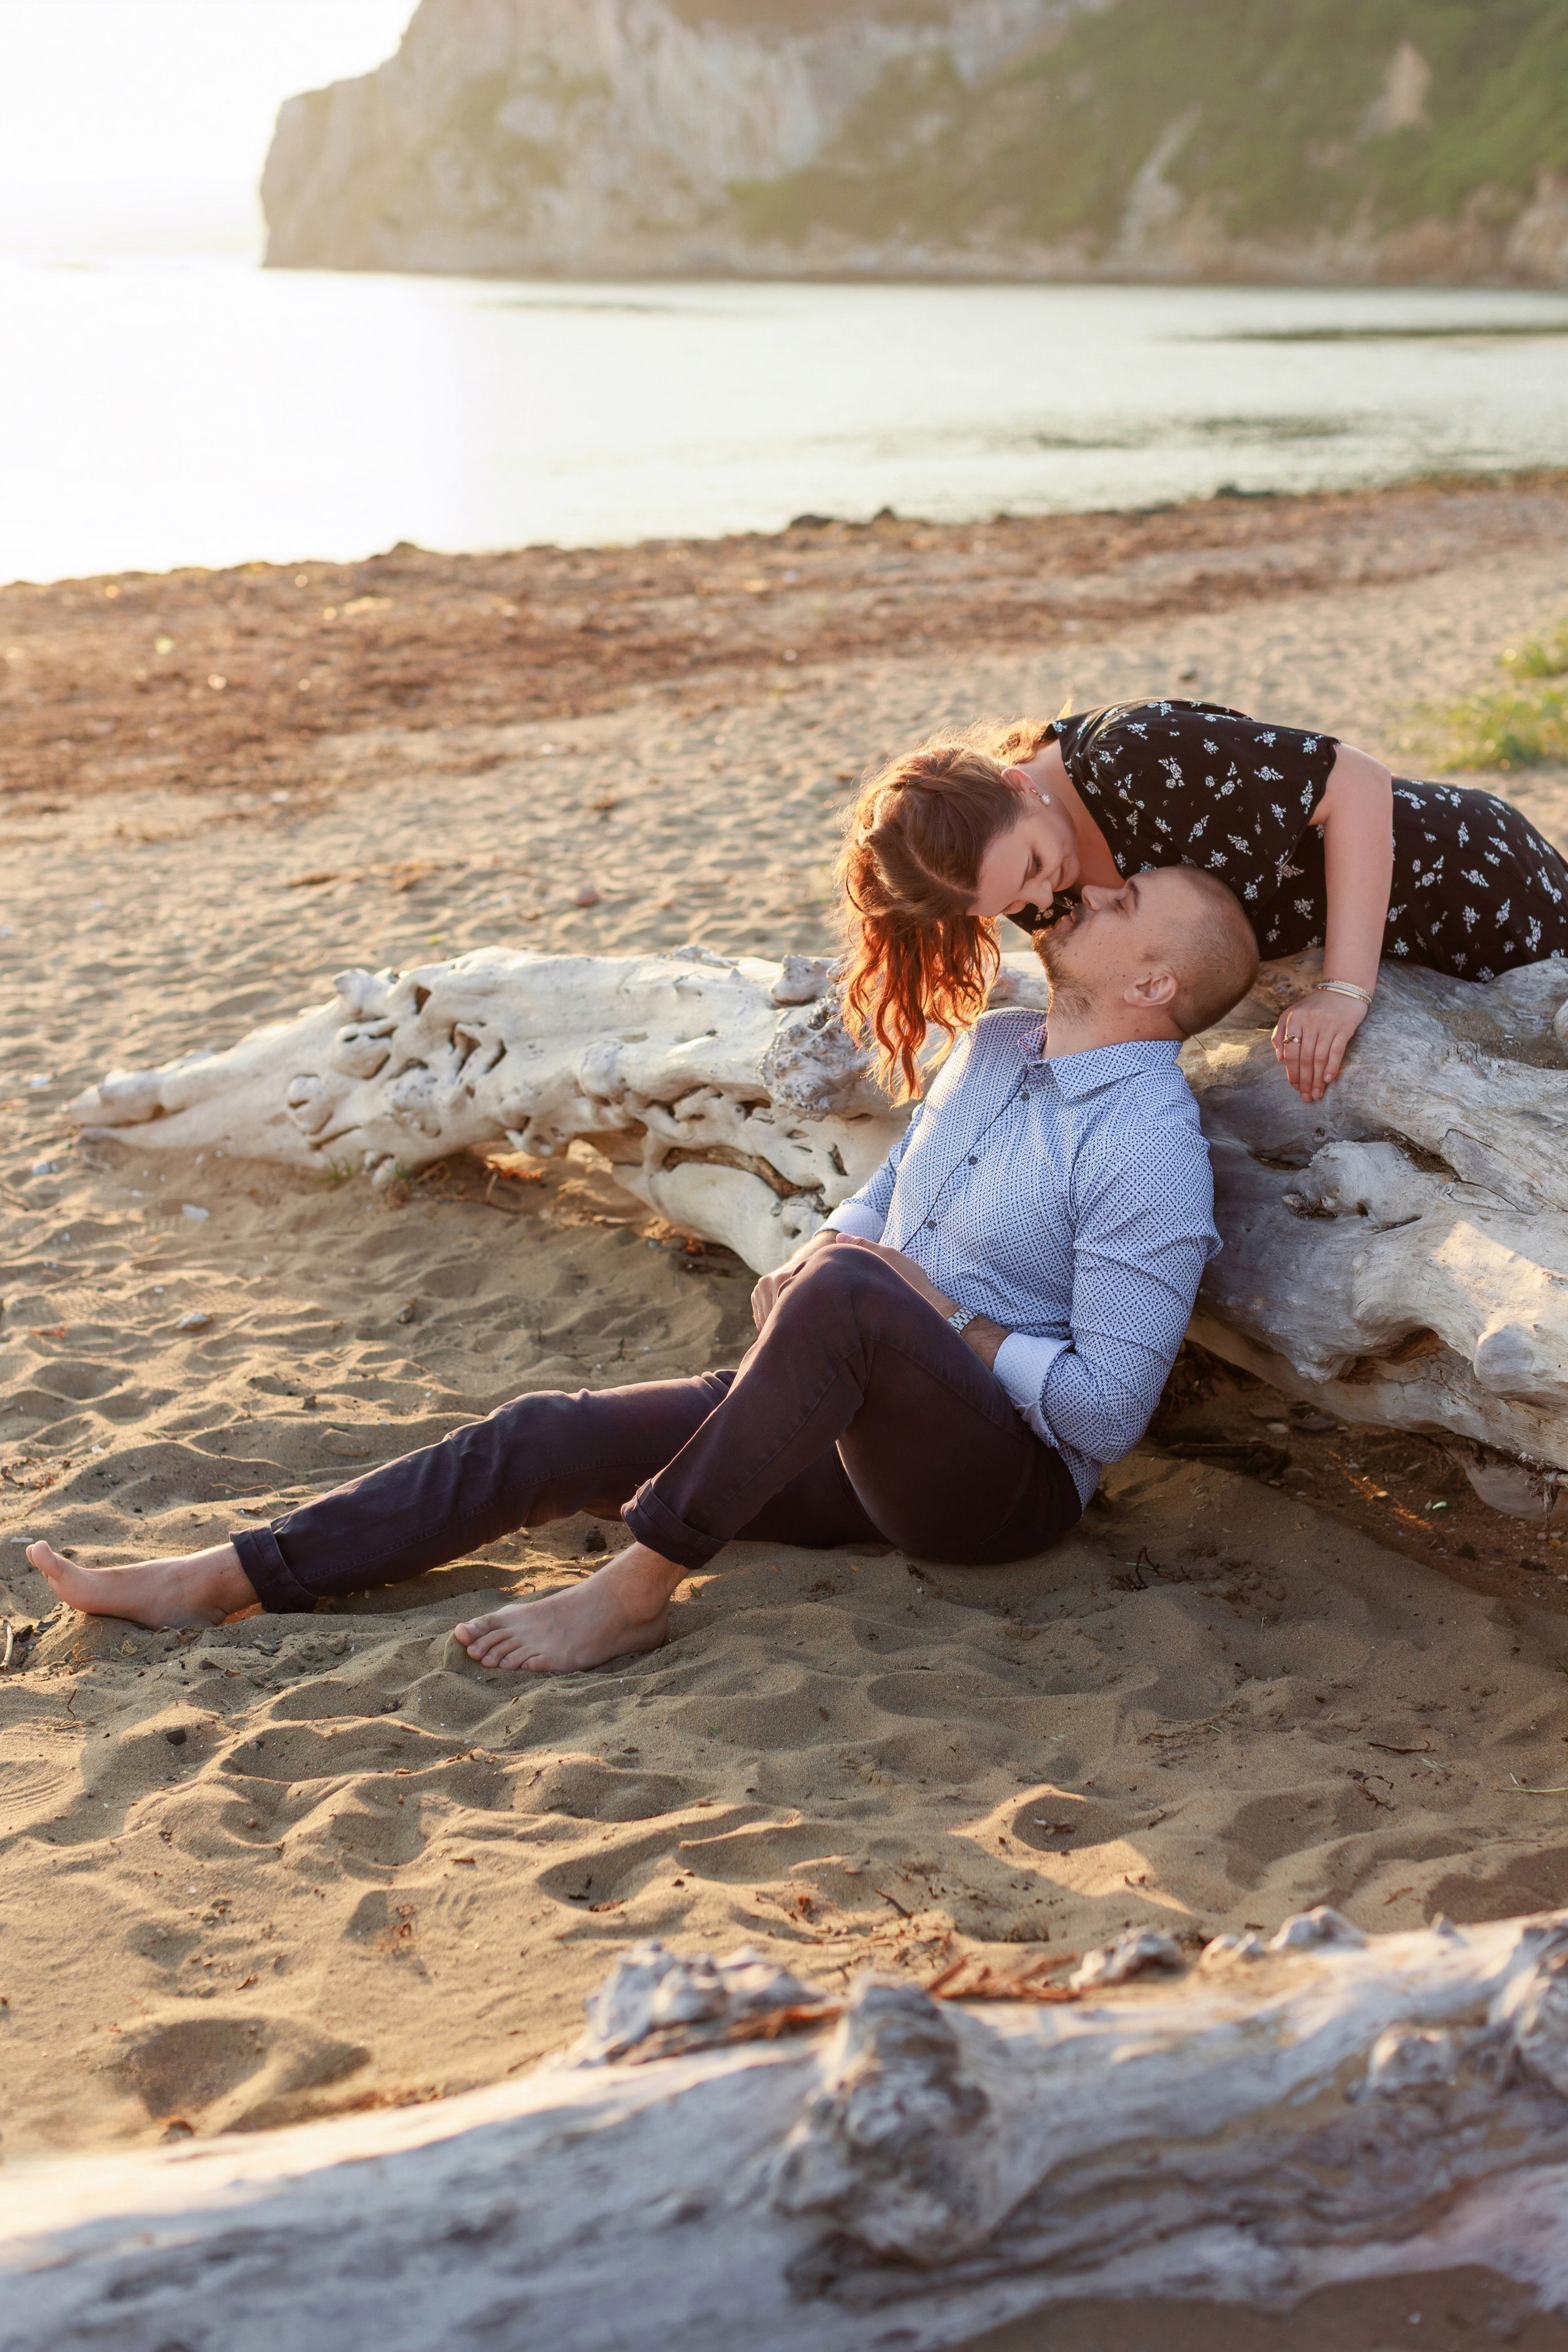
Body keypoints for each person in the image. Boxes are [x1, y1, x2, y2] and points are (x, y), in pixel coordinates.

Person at [29, 864, 1258, 1675]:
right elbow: (887, 1200)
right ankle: (228, 1576)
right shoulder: (996, 1043)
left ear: (1152, 982)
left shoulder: (1147, 1144)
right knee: (544, 1435)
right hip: (856, 1418)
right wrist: (834, 1244)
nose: (1085, 893)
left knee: (850, 1294)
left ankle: (637, 1587)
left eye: (1119, 901)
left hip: (995, 1493)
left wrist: (938, 1316)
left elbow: (1104, 1410)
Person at [839, 698, 1568, 1106]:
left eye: (1031, 865)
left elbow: (1358, 783)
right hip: (1385, 945)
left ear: (1019, 784)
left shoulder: (1134, 754)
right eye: (1006, 902)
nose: (1044, 895)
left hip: (1458, 877)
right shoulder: (1013, 871)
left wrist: (1344, 990)